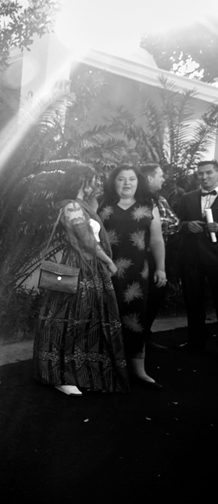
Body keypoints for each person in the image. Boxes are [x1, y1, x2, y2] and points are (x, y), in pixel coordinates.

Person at [33, 164, 129, 396]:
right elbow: (87, 240)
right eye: (92, 180)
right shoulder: (72, 206)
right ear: (82, 181)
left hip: (89, 268)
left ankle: (82, 372)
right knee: (72, 319)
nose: (96, 185)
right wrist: (109, 261)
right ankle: (61, 376)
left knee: (86, 320)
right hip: (80, 266)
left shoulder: (81, 205)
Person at [98, 164, 166, 389]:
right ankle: (105, 368)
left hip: (138, 273)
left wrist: (161, 268)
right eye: (121, 179)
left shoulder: (149, 206)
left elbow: (156, 240)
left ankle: (138, 369)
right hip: (106, 270)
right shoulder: (101, 204)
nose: (127, 183)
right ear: (113, 182)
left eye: (132, 179)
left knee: (136, 318)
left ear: (139, 182)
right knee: (106, 316)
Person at [172, 159, 218, 352]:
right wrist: (186, 226)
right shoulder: (187, 198)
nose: (204, 177)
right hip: (191, 258)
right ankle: (196, 340)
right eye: (200, 173)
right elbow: (175, 223)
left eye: (209, 172)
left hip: (216, 258)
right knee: (193, 301)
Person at [138, 163, 181, 350]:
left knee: (157, 292)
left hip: (157, 255)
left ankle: (145, 336)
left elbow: (175, 223)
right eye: (160, 175)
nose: (163, 179)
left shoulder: (159, 200)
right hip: (135, 256)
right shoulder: (133, 200)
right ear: (149, 178)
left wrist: (156, 226)